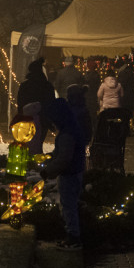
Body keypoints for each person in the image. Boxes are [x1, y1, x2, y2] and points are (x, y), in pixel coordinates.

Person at [40, 98, 87, 250]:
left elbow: (64, 159)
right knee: (69, 204)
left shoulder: (67, 134)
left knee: (68, 205)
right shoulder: (71, 129)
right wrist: (51, 158)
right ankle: (72, 234)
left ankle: (73, 237)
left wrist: (48, 171)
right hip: (74, 172)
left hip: (69, 174)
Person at [17, 58, 56, 155]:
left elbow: (20, 103)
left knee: (27, 143)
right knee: (38, 143)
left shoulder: (25, 85)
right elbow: (51, 103)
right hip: (43, 119)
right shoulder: (47, 86)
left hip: (27, 119)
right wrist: (50, 120)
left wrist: (20, 116)